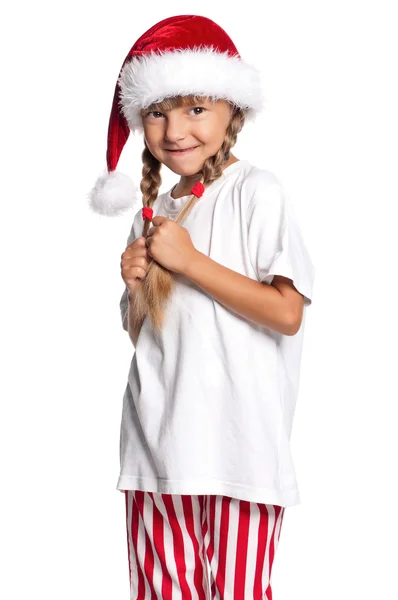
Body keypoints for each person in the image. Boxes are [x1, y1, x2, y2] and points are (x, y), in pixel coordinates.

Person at [88, 14, 315, 600]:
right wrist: (134, 284)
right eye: (158, 112)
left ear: (230, 114)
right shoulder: (154, 212)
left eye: (195, 109)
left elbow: (287, 313)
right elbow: (153, 339)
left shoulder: (256, 192)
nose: (174, 129)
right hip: (155, 453)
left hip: (239, 456)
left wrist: (190, 263)